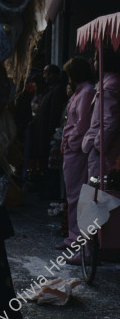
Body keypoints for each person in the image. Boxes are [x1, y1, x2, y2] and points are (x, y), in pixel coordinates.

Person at [57, 57, 94, 261]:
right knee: (72, 195)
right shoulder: (80, 91)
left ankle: (79, 240)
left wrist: (71, 141)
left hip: (76, 150)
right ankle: (73, 237)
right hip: (71, 148)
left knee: (76, 195)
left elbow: (82, 123)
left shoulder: (86, 91)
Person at [82, 46, 120, 181]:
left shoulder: (110, 85)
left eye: (96, 60)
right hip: (103, 147)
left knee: (99, 191)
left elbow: (110, 121)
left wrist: (98, 145)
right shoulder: (108, 82)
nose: (93, 63)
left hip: (104, 150)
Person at [32, 65, 67, 197]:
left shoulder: (57, 90)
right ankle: (46, 189)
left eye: (46, 73)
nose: (44, 76)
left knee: (49, 165)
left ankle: (50, 191)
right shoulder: (50, 90)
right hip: (42, 133)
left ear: (53, 74)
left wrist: (52, 134)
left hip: (48, 134)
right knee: (44, 164)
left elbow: (53, 114)